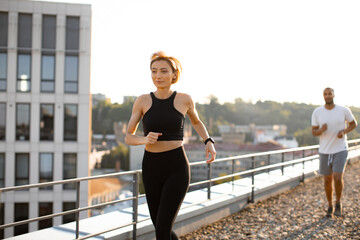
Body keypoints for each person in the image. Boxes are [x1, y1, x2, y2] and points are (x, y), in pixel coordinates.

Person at [125, 51, 216, 239]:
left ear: (174, 74)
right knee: (161, 227)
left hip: (176, 166)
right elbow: (128, 136)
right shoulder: (142, 101)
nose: (158, 76)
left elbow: (197, 122)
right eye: (154, 71)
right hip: (151, 167)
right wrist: (144, 139)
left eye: (164, 71)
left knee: (162, 229)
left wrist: (208, 141)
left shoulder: (184, 99)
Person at [311, 87, 357, 217]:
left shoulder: (343, 110)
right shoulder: (317, 112)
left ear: (333, 95)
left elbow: (354, 124)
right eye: (325, 94)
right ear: (323, 96)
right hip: (324, 150)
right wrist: (321, 130)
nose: (327, 96)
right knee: (327, 179)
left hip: (340, 148)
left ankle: (338, 202)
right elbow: (314, 131)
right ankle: (330, 206)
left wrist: (344, 131)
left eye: (329, 93)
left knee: (337, 177)